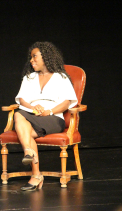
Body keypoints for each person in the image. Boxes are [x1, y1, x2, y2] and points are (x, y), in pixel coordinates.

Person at [14, 41, 77, 191]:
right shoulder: (29, 78)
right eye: (30, 57)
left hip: (53, 118)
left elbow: (67, 102)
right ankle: (30, 158)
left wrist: (50, 111)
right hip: (31, 114)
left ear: (46, 57)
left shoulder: (61, 77)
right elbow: (22, 100)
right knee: (19, 114)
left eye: (34, 56)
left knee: (24, 129)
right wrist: (32, 107)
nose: (31, 60)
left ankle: (34, 170)